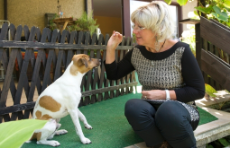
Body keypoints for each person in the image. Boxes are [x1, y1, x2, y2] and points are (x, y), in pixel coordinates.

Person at [104, 1, 205, 148]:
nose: (134, 31)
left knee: (168, 110)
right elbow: (113, 74)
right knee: (132, 106)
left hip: (179, 113)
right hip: (151, 113)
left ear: (158, 28)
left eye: (140, 27)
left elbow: (198, 91)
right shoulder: (137, 52)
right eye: (134, 26)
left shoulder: (181, 51)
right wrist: (110, 48)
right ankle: (159, 145)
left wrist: (164, 95)